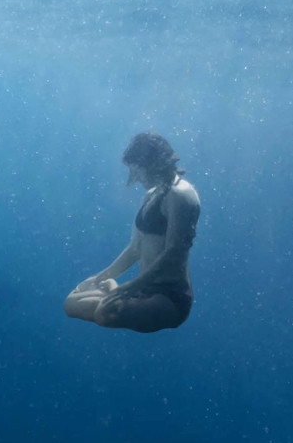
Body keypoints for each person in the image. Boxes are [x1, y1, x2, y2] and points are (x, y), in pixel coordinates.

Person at [64, 132, 200, 333]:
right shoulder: (150, 195)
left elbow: (174, 254)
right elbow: (135, 248)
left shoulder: (182, 196)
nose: (134, 179)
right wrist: (100, 277)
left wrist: (130, 287)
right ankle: (110, 288)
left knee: (105, 314)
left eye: (137, 171)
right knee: (70, 305)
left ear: (154, 164)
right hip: (142, 290)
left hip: (169, 297)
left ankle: (112, 293)